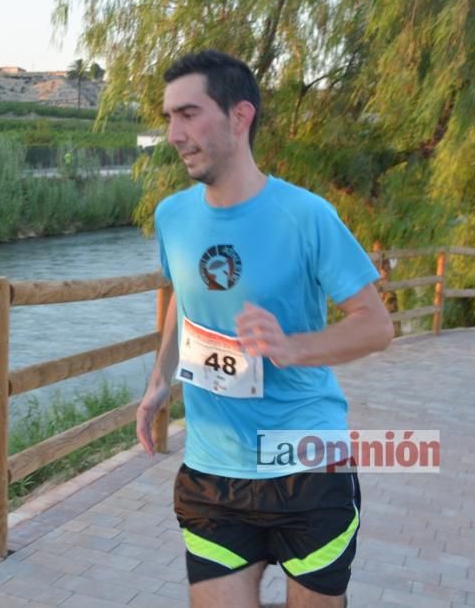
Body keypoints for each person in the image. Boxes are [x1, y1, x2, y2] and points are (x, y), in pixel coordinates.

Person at [136, 49, 394, 608]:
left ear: (239, 116)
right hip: (212, 472)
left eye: (188, 114)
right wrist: (160, 378)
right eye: (169, 119)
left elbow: (376, 326)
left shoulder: (307, 216)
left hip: (306, 464)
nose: (175, 134)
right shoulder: (172, 217)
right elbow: (183, 294)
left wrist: (292, 347)